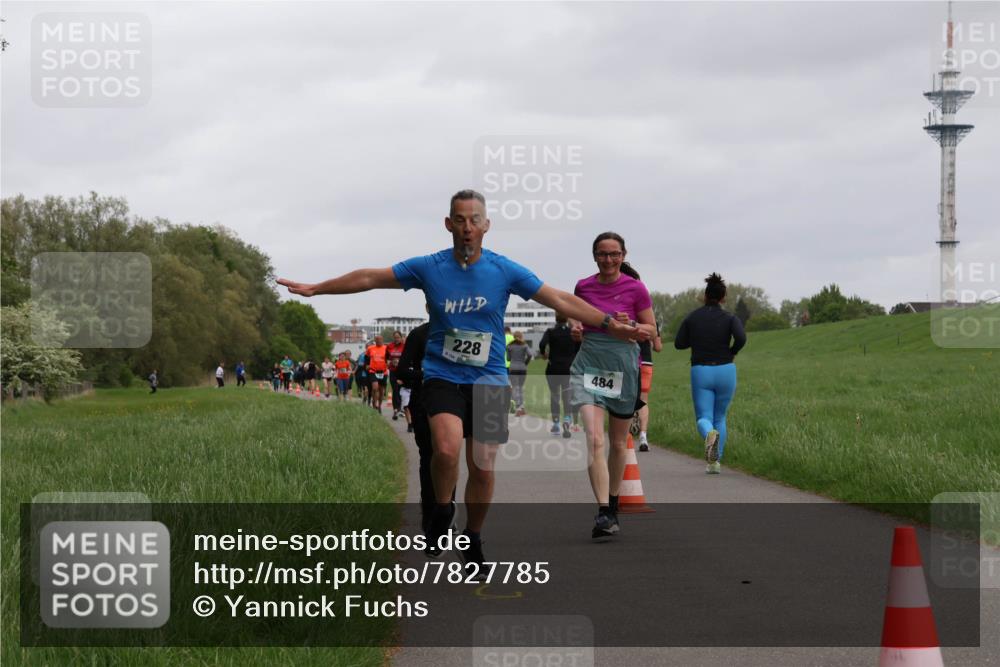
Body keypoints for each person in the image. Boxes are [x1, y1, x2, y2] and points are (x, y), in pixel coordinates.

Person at [277, 189, 645, 573]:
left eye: (474, 220)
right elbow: (371, 276)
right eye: (460, 219)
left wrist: (608, 323)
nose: (467, 227)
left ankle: (471, 536)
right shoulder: (429, 267)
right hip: (442, 374)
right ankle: (441, 507)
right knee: (447, 450)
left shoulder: (504, 270)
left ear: (485, 226)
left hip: (489, 379)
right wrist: (317, 288)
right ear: (448, 224)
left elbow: (557, 299)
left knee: (483, 466)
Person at [569, 232, 656, 540]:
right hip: (588, 364)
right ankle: (604, 510)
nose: (608, 260)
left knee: (618, 443)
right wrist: (575, 327)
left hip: (622, 366)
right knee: (595, 439)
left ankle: (614, 503)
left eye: (614, 254)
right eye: (602, 254)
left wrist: (631, 325)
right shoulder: (584, 286)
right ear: (594, 256)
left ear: (623, 255)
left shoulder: (636, 289)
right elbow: (575, 316)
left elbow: (651, 330)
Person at [674, 273, 746, 474]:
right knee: (720, 417)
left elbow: (679, 343)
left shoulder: (693, 317)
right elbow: (741, 338)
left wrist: (696, 339)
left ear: (705, 295)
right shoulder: (730, 317)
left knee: (704, 418)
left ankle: (708, 434)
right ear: (723, 298)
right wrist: (732, 352)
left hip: (701, 371)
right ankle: (715, 463)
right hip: (726, 370)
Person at [539, 313, 580, 438]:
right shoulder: (572, 332)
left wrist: (544, 354)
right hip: (568, 368)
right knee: (567, 395)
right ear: (567, 318)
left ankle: (556, 424)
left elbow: (542, 344)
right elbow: (579, 346)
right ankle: (567, 420)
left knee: (555, 395)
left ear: (555, 318)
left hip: (553, 368)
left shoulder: (550, 331)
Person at [635, 322, 663, 452]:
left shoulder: (625, 314)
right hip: (646, 361)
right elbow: (658, 347)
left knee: (626, 398)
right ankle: (643, 436)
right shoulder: (652, 322)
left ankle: (624, 437)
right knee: (643, 400)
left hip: (629, 360)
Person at [506, 331, 532, 416]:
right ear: (521, 336)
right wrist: (525, 363)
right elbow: (530, 354)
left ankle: (518, 408)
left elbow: (508, 359)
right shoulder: (525, 345)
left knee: (515, 388)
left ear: (514, 337)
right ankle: (522, 407)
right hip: (522, 368)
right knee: (520, 388)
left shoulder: (509, 346)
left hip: (513, 368)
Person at [386, 331, 406, 419]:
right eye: (395, 337)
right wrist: (389, 362)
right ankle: (395, 410)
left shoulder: (405, 346)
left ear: (401, 338)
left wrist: (401, 362)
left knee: (402, 389)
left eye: (398, 337)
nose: (396, 339)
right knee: (395, 389)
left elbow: (407, 358)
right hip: (393, 371)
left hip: (402, 371)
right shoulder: (389, 346)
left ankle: (402, 408)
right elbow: (386, 358)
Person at [367, 335, 389, 411]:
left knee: (381, 390)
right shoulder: (370, 348)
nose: (378, 341)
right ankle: (374, 403)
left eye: (380, 339)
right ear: (375, 341)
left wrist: (389, 363)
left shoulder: (386, 348)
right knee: (375, 388)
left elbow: (389, 358)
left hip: (383, 371)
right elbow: (367, 357)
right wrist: (367, 365)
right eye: (377, 339)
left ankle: (379, 406)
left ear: (382, 340)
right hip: (373, 371)